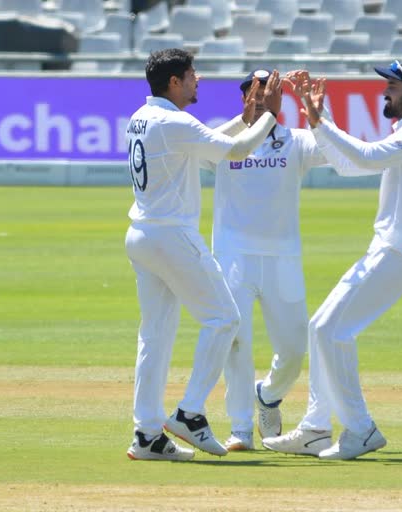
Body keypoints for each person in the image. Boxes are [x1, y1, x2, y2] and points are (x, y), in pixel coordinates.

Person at [262, 61, 402, 460]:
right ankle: (314, 428)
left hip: (398, 250)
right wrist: (318, 116)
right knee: (320, 328)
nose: (386, 92)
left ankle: (360, 429)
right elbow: (348, 165)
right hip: (392, 248)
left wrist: (319, 120)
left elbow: (362, 157)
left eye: (393, 86)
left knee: (330, 331)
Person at [123, 48, 282, 461]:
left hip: (142, 234)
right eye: (192, 75)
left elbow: (202, 142)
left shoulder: (144, 116)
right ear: (174, 82)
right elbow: (236, 150)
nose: (199, 81)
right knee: (225, 318)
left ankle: (146, 435)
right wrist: (269, 115)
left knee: (154, 336)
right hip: (172, 236)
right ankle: (190, 412)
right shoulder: (174, 122)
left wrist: (247, 119)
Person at [208, 69, 327, 451]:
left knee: (294, 350)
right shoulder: (225, 140)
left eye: (267, 93)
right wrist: (247, 120)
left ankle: (268, 396)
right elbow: (196, 150)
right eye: (252, 93)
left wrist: (317, 116)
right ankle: (241, 428)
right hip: (233, 255)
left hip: (282, 257)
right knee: (237, 342)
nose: (258, 99)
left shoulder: (295, 142)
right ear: (243, 98)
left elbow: (334, 150)